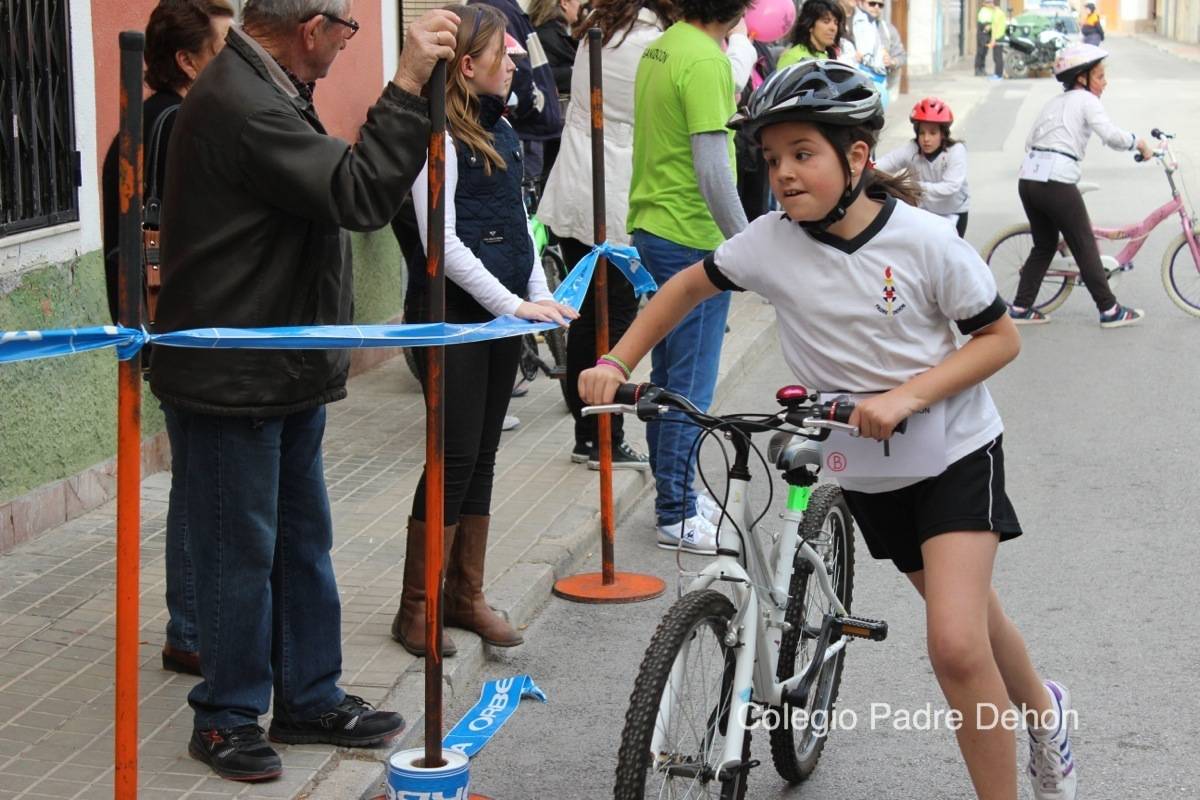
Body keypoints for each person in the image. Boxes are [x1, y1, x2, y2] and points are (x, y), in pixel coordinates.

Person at [581, 59, 1079, 800]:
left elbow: (999, 339)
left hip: (952, 452)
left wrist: (907, 396)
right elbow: (687, 285)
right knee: (970, 619)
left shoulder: (925, 241)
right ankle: (1044, 707)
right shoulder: (768, 242)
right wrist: (616, 360)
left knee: (954, 644)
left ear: (857, 157)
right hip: (865, 462)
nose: (783, 173)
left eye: (802, 153)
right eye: (771, 158)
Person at [150, 0, 459, 781]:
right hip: (236, 375)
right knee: (239, 554)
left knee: (299, 543)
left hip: (277, 364)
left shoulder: (266, 86)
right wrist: (406, 83)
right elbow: (359, 194)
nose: (350, 42)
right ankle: (225, 718)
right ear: (310, 29)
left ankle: (308, 696)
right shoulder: (246, 103)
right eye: (346, 28)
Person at [391, 4, 577, 659]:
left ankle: (464, 594)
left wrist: (540, 298)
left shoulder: (501, 130)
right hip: (455, 321)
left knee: (484, 456)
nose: (515, 64)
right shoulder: (436, 139)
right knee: (453, 457)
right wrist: (511, 305)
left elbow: (518, 226)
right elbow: (441, 244)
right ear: (467, 67)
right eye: (503, 55)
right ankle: (417, 607)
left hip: (501, 320)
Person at [100, 0, 235, 679]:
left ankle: (193, 624)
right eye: (222, 49)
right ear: (186, 60)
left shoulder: (141, 123)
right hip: (184, 330)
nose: (235, 62)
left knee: (196, 478)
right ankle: (190, 629)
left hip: (160, 328)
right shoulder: (181, 123)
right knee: (200, 484)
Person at [626, 0, 753, 552]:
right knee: (688, 386)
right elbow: (712, 169)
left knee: (668, 378)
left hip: (656, 227)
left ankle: (676, 495)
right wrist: (749, 246)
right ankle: (676, 512)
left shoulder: (664, 45)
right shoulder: (706, 60)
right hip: (690, 238)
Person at [541, 0, 677, 472]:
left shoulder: (600, 29)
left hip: (580, 182)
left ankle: (589, 432)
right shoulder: (652, 42)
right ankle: (603, 437)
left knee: (588, 314)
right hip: (611, 189)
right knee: (613, 316)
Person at [1010, 43, 1152, 328]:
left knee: (1044, 244)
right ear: (1082, 78)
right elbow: (1110, 135)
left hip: (1028, 181)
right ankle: (1109, 309)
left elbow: (1030, 141)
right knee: (1084, 244)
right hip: (1056, 181)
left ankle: (1021, 307)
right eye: (1099, 76)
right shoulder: (1087, 101)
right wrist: (1138, 142)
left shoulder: (1054, 102)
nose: (1105, 82)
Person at [472, 0, 563, 188]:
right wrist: (534, 103)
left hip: (528, 128)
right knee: (524, 190)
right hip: (526, 129)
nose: (510, 65)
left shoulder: (506, 7)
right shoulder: (498, 9)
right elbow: (518, 72)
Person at [876, 97, 970, 237]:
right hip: (926, 211)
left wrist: (915, 186)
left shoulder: (956, 151)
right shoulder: (912, 149)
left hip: (954, 211)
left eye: (933, 133)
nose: (926, 139)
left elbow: (950, 187)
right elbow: (885, 163)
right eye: (922, 133)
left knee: (949, 249)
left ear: (943, 134)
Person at [777, 0, 847, 69]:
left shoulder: (829, 57)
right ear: (810, 25)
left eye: (836, 23)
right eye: (826, 21)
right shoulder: (793, 57)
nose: (833, 28)